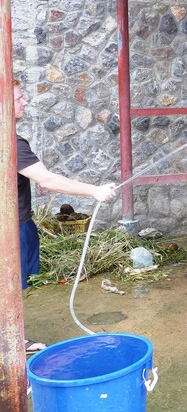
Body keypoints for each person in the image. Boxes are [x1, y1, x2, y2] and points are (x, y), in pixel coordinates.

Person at [12, 79, 117, 354]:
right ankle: (11, 344)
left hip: (14, 225)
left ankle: (11, 340)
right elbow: (45, 180)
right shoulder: (12, 142)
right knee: (9, 292)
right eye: (19, 97)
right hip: (11, 230)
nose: (25, 102)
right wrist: (94, 191)